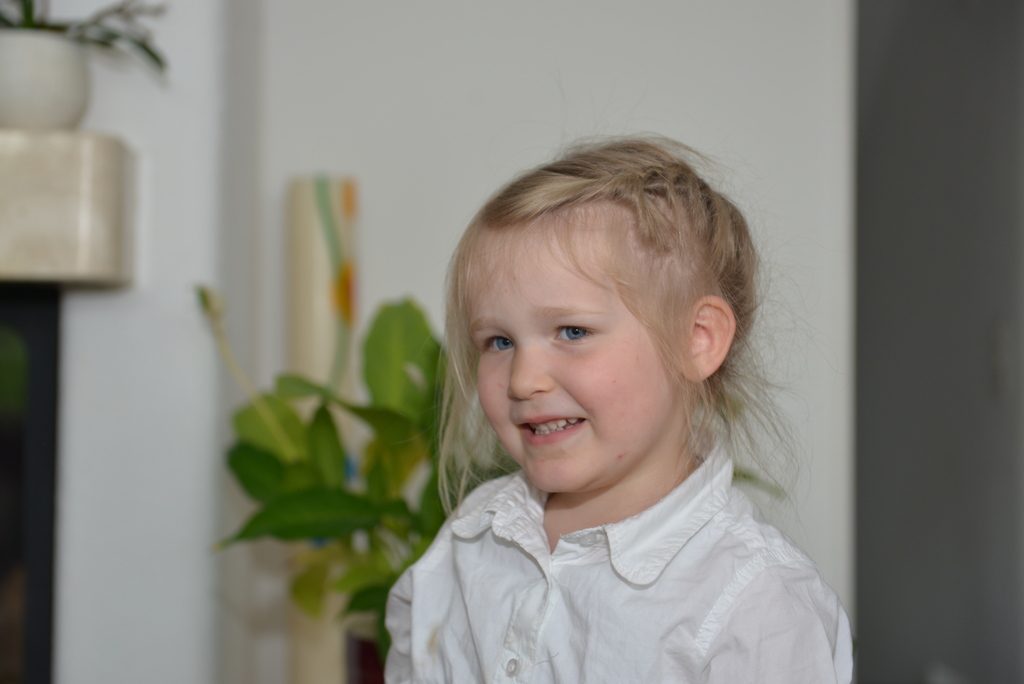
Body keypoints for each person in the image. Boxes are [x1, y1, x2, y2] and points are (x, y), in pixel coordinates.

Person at [384, 137, 853, 683]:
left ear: (697, 339)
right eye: (499, 342)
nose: (523, 380)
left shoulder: (758, 605)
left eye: (572, 331)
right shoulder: (471, 539)